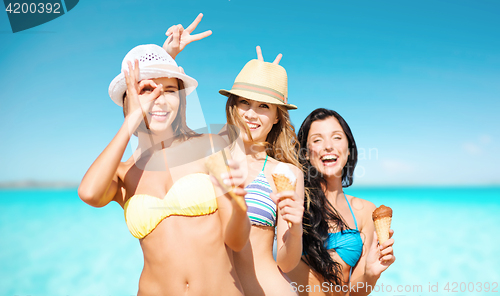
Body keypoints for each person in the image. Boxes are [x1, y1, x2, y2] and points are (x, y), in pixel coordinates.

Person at [78, 40, 250, 295]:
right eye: (147, 90)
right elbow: (89, 193)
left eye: (170, 90)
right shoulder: (124, 173)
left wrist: (239, 208)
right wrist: (133, 117)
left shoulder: (209, 146)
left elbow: (235, 242)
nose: (159, 99)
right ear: (129, 100)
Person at [219, 47, 305, 296]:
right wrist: (169, 56)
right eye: (244, 102)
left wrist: (296, 228)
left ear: (277, 117)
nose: (251, 114)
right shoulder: (208, 159)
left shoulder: (286, 173)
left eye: (264, 106)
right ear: (233, 105)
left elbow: (286, 263)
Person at [287, 108, 396, 296]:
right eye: (317, 140)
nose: (328, 146)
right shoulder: (294, 204)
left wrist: (371, 274)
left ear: (348, 148)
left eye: (337, 137)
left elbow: (354, 292)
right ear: (305, 153)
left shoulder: (365, 211)